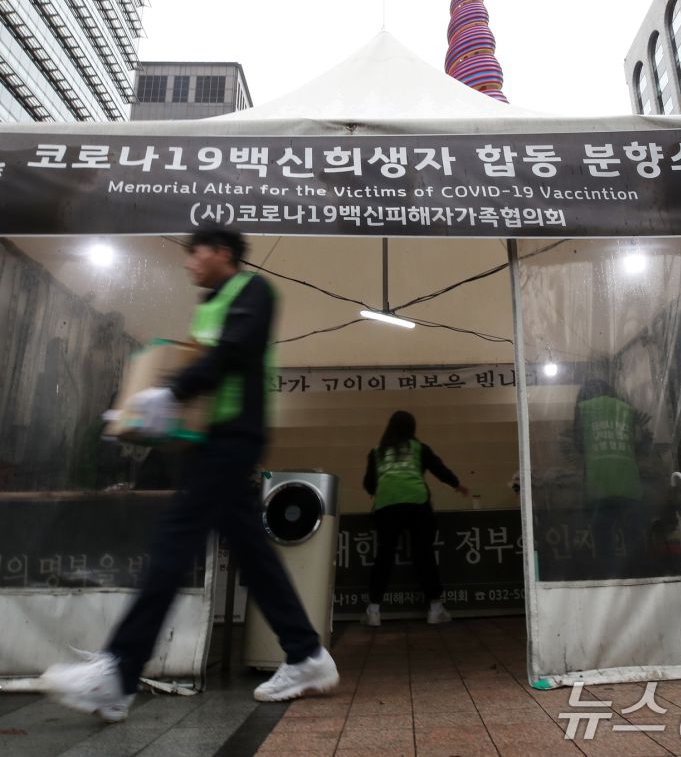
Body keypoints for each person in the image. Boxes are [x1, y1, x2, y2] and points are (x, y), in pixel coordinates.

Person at [41, 228, 338, 721]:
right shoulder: (211, 305)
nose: (189, 264)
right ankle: (305, 653)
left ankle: (119, 672)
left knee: (174, 542)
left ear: (223, 252)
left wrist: (170, 392)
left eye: (196, 253)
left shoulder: (253, 291)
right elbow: (206, 360)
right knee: (252, 552)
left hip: (232, 438)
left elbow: (232, 352)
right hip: (210, 443)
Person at [362, 410, 468, 626]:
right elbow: (439, 469)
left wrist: (377, 490)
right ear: (412, 428)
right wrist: (457, 485)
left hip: (386, 506)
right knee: (424, 555)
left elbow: (368, 483)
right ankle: (435, 610)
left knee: (384, 556)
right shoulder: (419, 448)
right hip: (417, 504)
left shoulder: (377, 451)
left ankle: (373, 611)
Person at [573, 378, 648, 578]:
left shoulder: (583, 408)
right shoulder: (626, 409)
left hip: (599, 485)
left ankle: (610, 582)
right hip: (629, 484)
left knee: (603, 542)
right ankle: (639, 580)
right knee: (634, 541)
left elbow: (578, 444)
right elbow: (638, 443)